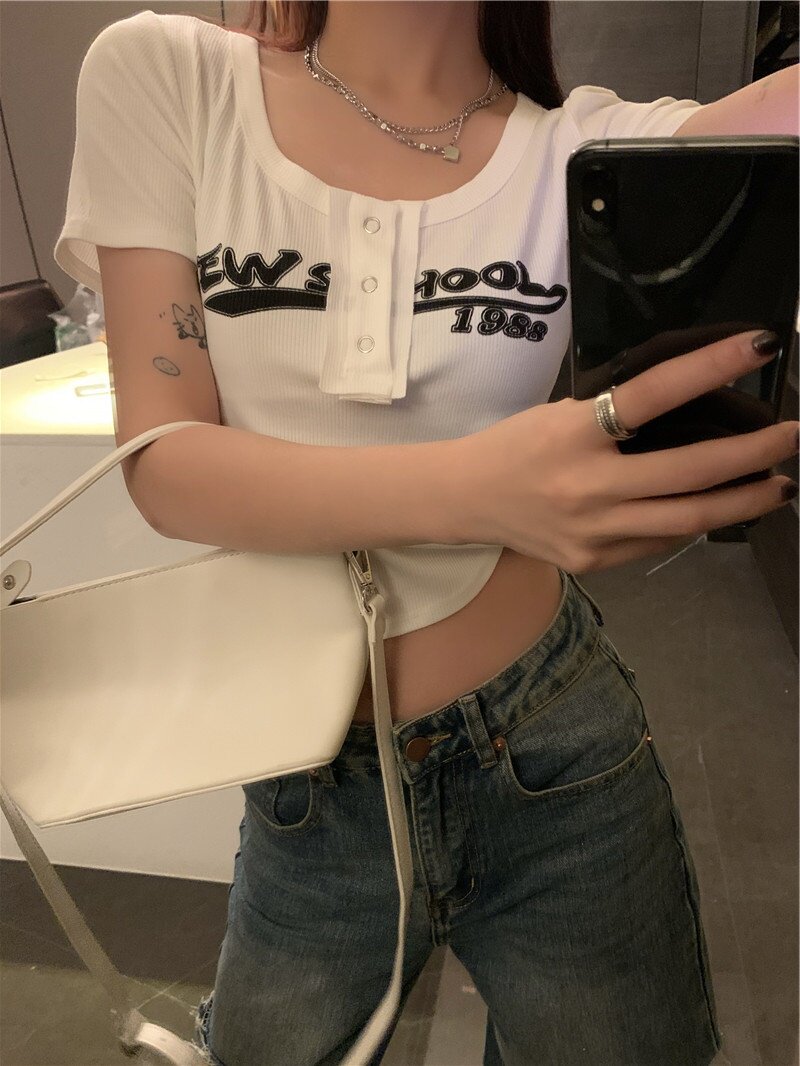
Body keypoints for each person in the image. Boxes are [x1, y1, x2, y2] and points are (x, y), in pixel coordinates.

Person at [53, 2, 798, 1064]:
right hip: (312, 778)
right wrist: (484, 490)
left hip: (553, 744)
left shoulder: (578, 143)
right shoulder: (170, 76)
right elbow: (166, 465)